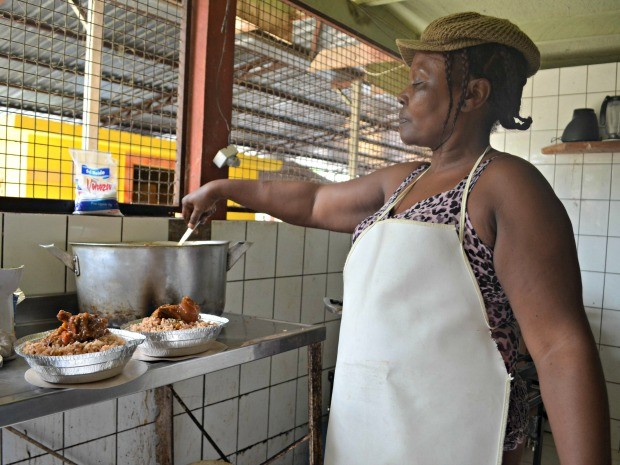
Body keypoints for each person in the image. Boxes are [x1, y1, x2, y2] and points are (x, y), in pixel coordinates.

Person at [182, 12, 611, 465]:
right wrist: (226, 188)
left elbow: (560, 347)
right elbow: (312, 201)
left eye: (421, 83)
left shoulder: (507, 186)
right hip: (369, 429)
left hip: (460, 438)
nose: (402, 96)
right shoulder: (401, 183)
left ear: (474, 94)